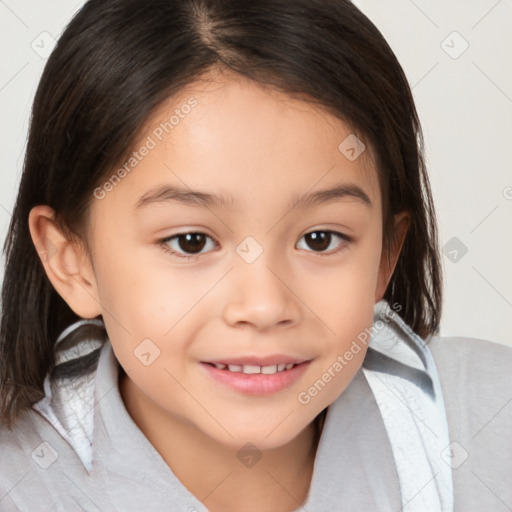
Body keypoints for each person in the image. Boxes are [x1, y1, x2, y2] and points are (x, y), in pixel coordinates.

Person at [0, 0, 510, 510]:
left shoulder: (485, 425)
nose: (265, 305)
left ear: (384, 256)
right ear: (72, 259)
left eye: (320, 239)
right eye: (191, 241)